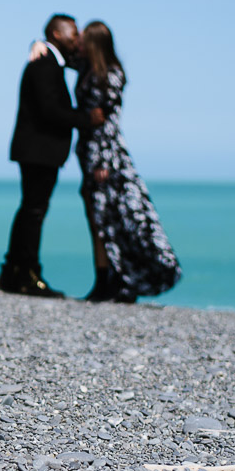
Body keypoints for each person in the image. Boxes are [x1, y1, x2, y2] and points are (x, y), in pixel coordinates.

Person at [70, 21, 182, 302]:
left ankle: (123, 279)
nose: (78, 43)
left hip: (107, 156)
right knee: (97, 218)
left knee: (118, 218)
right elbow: (59, 56)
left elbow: (110, 121)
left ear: (94, 42)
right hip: (88, 151)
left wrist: (103, 160)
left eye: (83, 39)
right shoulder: (86, 68)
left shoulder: (112, 74)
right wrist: (37, 44)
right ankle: (105, 278)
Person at [0, 14, 103, 296]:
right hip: (38, 150)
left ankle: (14, 273)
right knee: (34, 211)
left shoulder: (50, 61)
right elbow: (50, 111)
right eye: (74, 33)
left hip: (37, 150)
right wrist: (87, 118)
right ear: (58, 34)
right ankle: (27, 274)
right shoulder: (45, 65)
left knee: (31, 209)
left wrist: (37, 42)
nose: (78, 38)